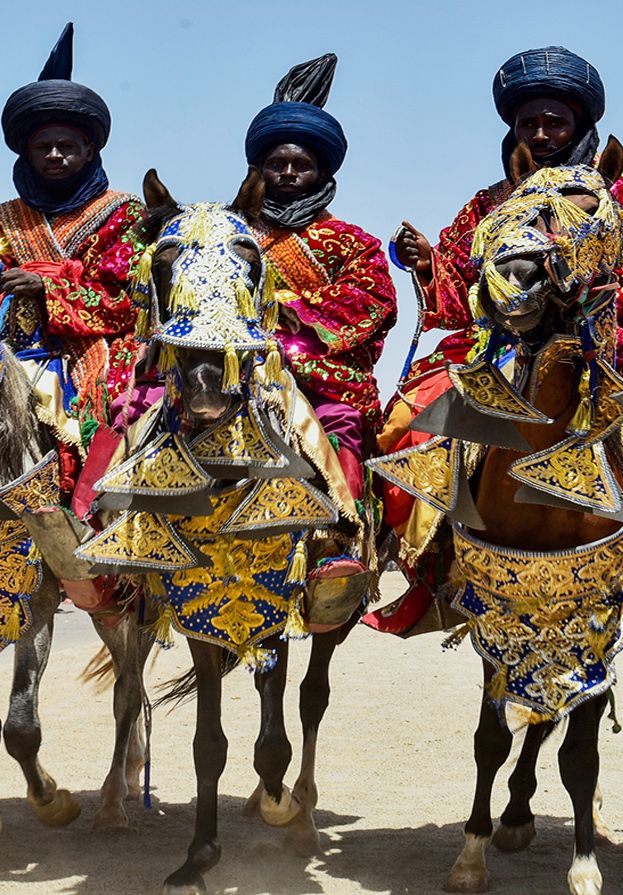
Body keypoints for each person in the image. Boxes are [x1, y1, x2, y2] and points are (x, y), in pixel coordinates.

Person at [393, 45, 623, 382]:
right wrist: (425, 261)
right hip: (504, 338)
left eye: (554, 123)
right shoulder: (489, 203)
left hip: (610, 332)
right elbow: (463, 289)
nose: (539, 135)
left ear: (578, 125)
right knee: (411, 411)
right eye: (528, 124)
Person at [243, 53, 397, 582]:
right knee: (143, 412)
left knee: (343, 430)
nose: (287, 172)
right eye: (276, 163)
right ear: (257, 170)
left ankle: (339, 543)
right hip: (235, 373)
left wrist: (287, 312)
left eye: (301, 164)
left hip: (323, 384)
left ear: (323, 171)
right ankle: (125, 526)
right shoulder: (229, 232)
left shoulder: (353, 241)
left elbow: (375, 302)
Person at [0, 22, 143, 440]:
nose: (54, 155)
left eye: (66, 146)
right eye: (42, 147)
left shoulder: (125, 214)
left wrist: (46, 287)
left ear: (90, 150)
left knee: (132, 410)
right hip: (11, 348)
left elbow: (129, 301)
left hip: (98, 349)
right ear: (26, 154)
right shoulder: (2, 220)